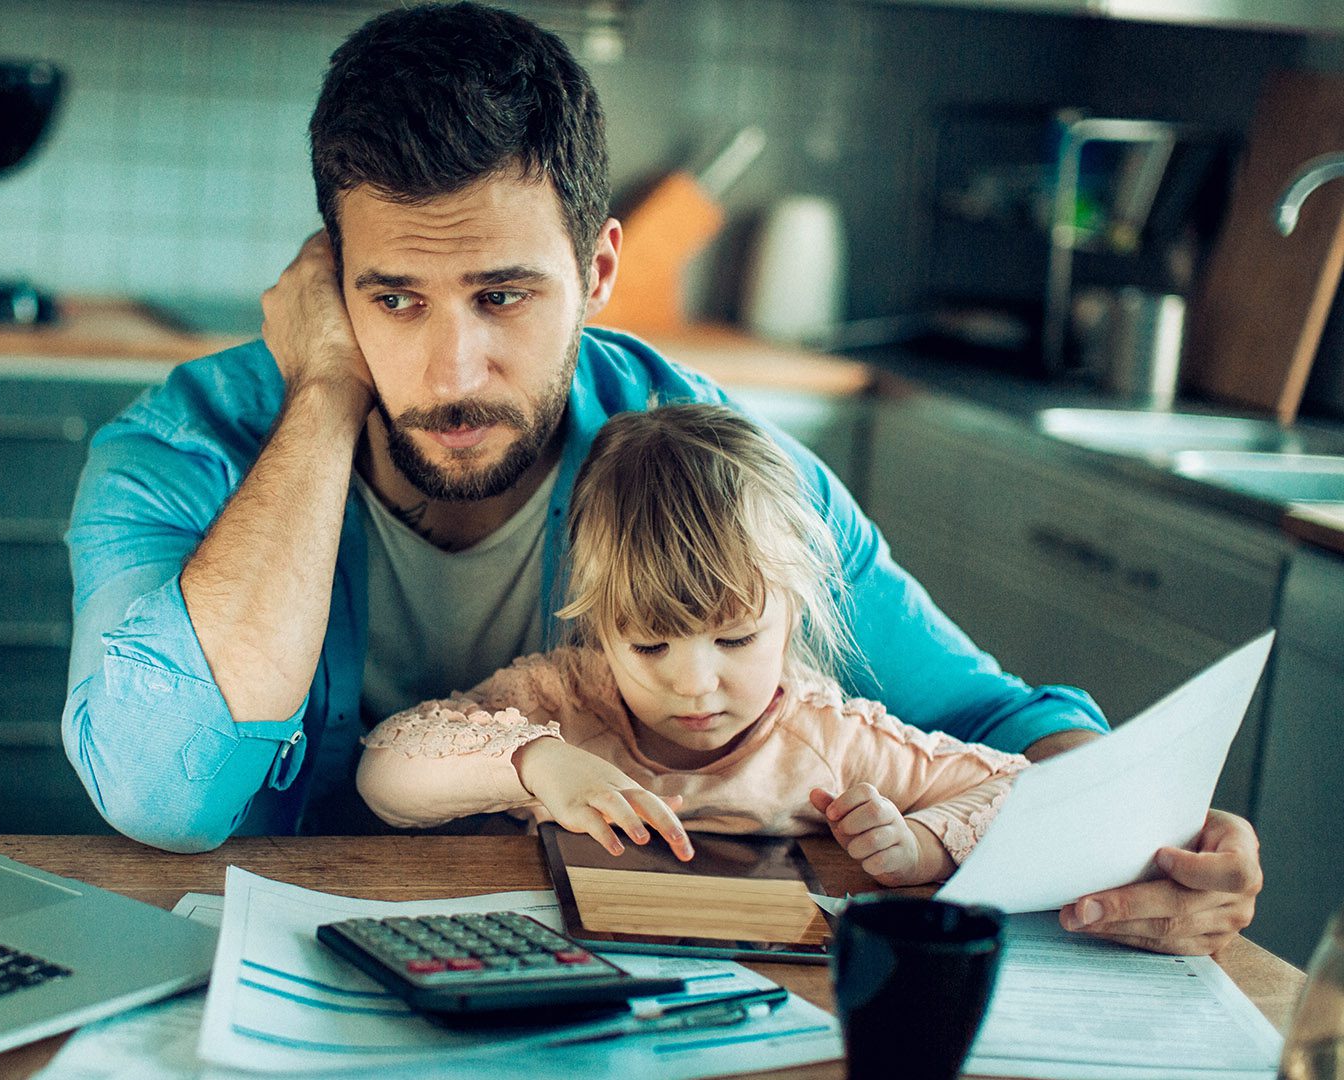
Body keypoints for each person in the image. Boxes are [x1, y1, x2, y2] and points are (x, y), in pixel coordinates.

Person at [62, 1, 1261, 954]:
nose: (449, 369)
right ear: (329, 282)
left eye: (503, 295)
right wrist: (322, 396)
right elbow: (162, 792)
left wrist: (1144, 841)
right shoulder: (184, 449)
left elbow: (996, 722)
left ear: (598, 270)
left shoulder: (700, 459)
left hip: (602, 991)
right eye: (394, 298)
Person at [358, 403, 1029, 887]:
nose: (696, 684)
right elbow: (383, 775)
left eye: (735, 638)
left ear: (793, 614)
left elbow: (1021, 790)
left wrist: (921, 845)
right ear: (600, 625)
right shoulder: (562, 701)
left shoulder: (832, 741)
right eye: (651, 647)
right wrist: (536, 763)